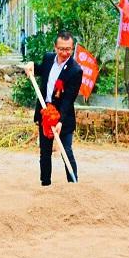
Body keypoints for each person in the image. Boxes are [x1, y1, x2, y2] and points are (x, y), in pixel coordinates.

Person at [23, 30, 83, 185]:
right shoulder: (48, 58)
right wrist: (31, 65)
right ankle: (45, 184)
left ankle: (73, 183)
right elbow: (39, 70)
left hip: (63, 116)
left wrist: (60, 121)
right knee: (45, 151)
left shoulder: (75, 70)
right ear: (55, 47)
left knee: (66, 150)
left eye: (68, 49)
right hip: (45, 111)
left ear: (72, 48)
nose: (64, 53)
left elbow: (68, 99)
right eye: (61, 49)